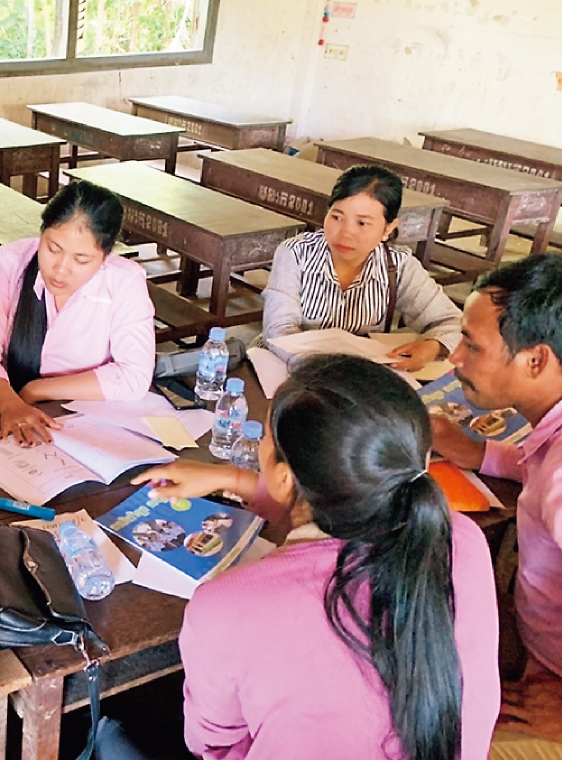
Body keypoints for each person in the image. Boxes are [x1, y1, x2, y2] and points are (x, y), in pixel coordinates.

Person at [132, 355, 500, 759]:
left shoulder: (223, 607)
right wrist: (234, 479)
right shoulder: (461, 540)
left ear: (284, 476)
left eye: (264, 446)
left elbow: (211, 745)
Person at [428, 255, 562, 751]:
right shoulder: (550, 435)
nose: (455, 359)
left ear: (535, 360)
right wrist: (476, 451)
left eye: (472, 344)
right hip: (534, 643)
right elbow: (538, 463)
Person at [0, 180, 155, 446]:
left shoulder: (125, 281)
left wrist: (36, 389)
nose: (61, 269)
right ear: (42, 233)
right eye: (53, 248)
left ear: (106, 255)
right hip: (2, 402)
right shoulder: (11, 262)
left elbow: (134, 375)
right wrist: (11, 404)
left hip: (82, 415)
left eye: (81, 260)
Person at [262, 165, 461, 372]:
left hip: (363, 375)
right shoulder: (295, 253)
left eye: (362, 223)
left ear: (388, 229)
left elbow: (451, 321)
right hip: (295, 368)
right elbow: (279, 330)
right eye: (337, 217)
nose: (346, 233)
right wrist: (327, 369)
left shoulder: (398, 266)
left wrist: (432, 346)